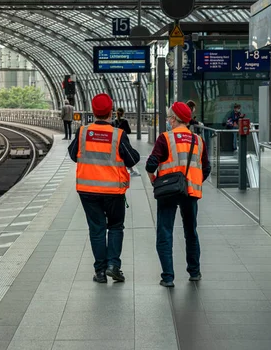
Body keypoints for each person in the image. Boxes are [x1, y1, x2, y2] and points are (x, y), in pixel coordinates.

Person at [68, 93, 140, 284]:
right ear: (110, 112)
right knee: (115, 227)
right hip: (113, 191)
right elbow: (132, 159)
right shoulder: (118, 135)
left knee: (97, 229)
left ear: (93, 112)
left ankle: (100, 271)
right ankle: (113, 266)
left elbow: (73, 155)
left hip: (87, 190)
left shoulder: (83, 132)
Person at [146, 102, 211, 288]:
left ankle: (168, 277)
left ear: (174, 119)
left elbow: (150, 165)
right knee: (191, 231)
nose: (168, 121)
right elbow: (206, 168)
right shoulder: (198, 140)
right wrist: (193, 181)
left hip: (167, 191)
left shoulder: (165, 138)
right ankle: (195, 272)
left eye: (168, 118)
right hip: (190, 192)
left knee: (165, 232)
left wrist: (155, 181)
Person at [113, 108, 140, 177]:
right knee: (127, 154)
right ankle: (131, 170)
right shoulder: (125, 121)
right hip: (123, 140)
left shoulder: (114, 122)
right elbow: (129, 131)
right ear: (123, 113)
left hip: (115, 140)